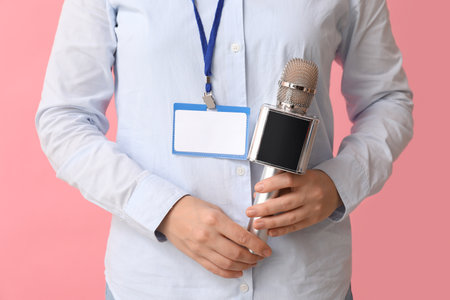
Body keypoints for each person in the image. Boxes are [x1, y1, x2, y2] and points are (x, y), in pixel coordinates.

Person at [36, 0, 413, 299]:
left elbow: (387, 99)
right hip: (159, 283)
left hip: (303, 282)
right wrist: (162, 209)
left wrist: (337, 185)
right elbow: (65, 117)